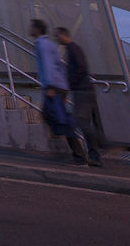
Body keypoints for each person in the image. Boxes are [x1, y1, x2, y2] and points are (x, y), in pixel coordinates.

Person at [30, 19, 86, 164]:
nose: (29, 29)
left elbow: (48, 66)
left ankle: (79, 154)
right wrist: (64, 87)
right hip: (59, 85)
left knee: (56, 118)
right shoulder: (50, 44)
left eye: (31, 27)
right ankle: (76, 149)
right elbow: (60, 66)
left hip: (53, 87)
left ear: (37, 29)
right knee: (55, 116)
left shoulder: (42, 45)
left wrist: (50, 87)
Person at [54, 27, 103, 167]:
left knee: (80, 122)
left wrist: (70, 83)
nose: (56, 38)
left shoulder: (73, 49)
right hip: (84, 90)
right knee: (85, 123)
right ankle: (94, 156)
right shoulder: (72, 49)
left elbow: (81, 67)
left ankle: (102, 146)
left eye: (57, 36)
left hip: (82, 91)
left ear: (64, 35)